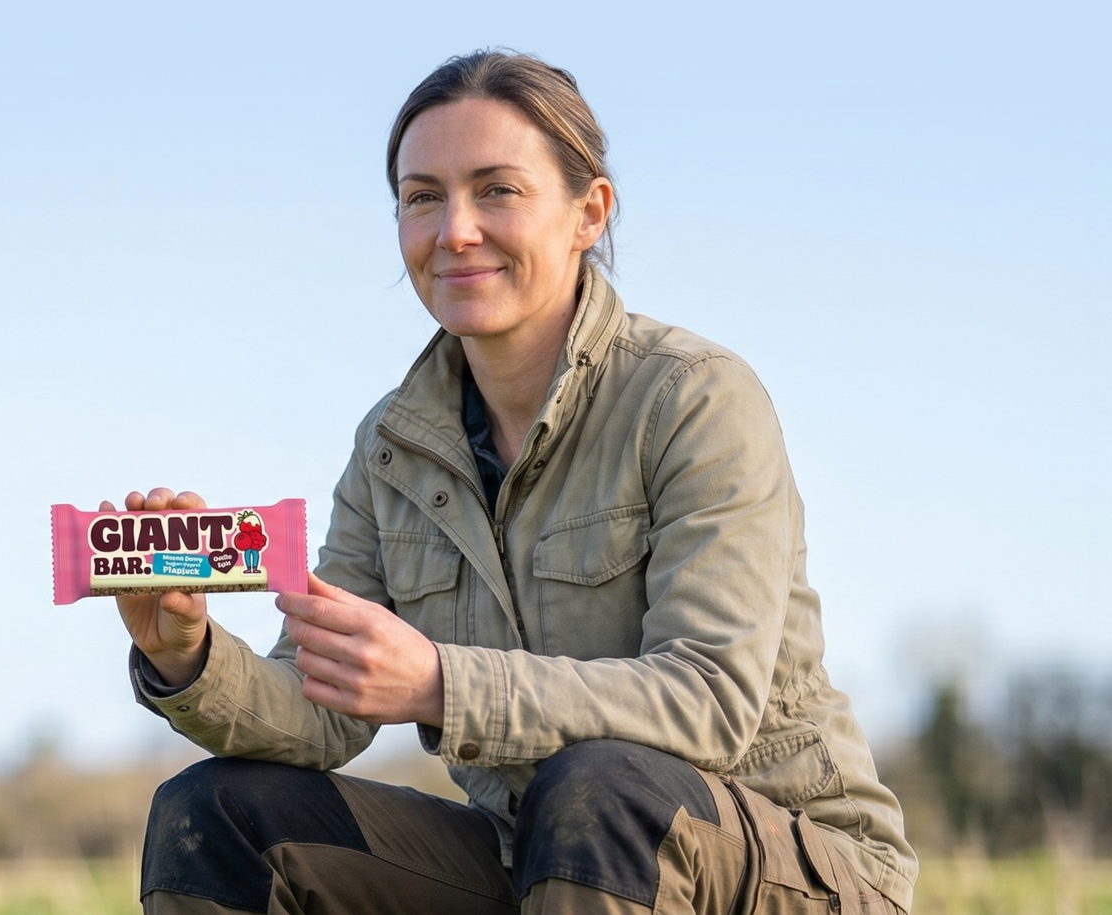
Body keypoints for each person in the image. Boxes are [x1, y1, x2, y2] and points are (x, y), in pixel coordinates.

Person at [109, 50, 914, 914]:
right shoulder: (391, 444)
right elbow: (323, 706)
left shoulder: (697, 398)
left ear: (588, 213)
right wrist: (183, 655)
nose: (455, 229)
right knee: (215, 814)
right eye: (422, 197)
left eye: (497, 189)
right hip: (541, 856)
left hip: (795, 866)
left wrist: (439, 683)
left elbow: (706, 701)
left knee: (597, 789)